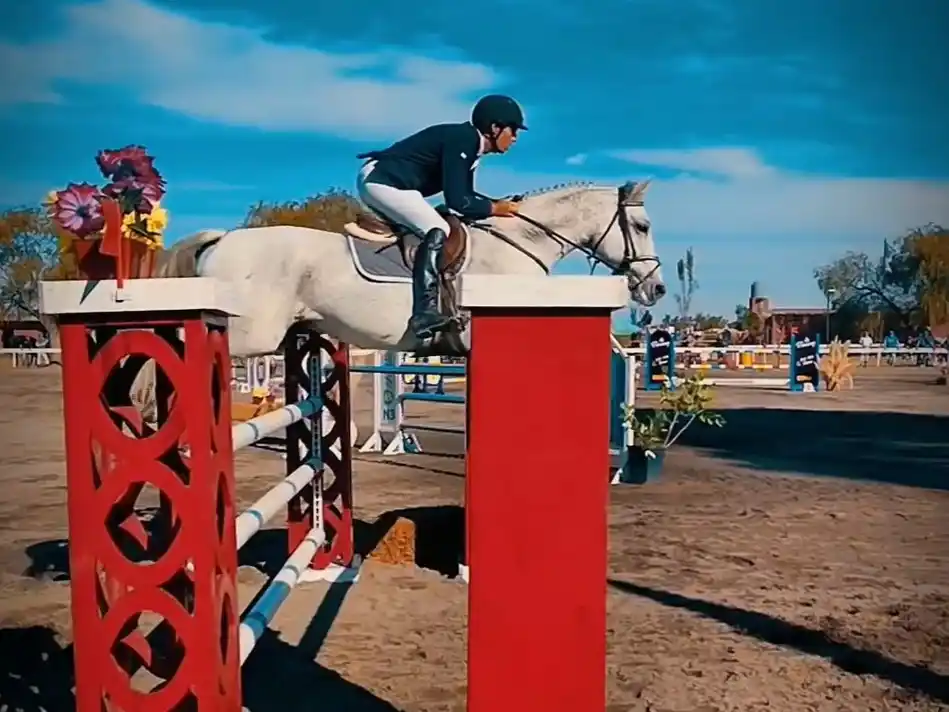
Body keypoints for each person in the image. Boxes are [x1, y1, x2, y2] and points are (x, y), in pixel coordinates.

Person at [355, 94, 527, 338]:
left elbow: (463, 197)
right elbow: (459, 201)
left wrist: (495, 204)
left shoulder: (471, 148)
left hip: (395, 183)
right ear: (494, 128)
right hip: (381, 181)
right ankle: (424, 313)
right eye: (513, 130)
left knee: (441, 221)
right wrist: (495, 208)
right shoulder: (463, 140)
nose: (515, 138)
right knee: (438, 228)